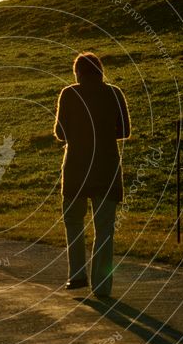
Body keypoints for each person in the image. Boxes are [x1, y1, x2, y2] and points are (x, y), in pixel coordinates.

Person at [54, 52, 131, 298]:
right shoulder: (114, 93)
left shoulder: (69, 93)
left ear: (78, 72)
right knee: (105, 228)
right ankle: (102, 286)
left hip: (76, 168)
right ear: (100, 71)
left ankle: (77, 275)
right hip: (107, 168)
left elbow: (60, 133)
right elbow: (125, 131)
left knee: (74, 222)